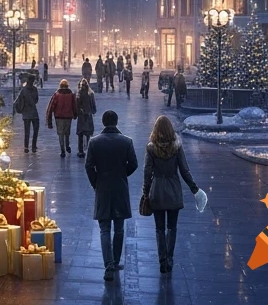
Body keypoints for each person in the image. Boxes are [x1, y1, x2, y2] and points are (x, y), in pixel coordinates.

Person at [141, 115, 199, 274]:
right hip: (173, 190)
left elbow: (147, 172)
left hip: (157, 190)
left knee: (159, 228)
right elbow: (184, 170)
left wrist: (146, 191)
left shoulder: (151, 148)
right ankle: (170, 257)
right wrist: (194, 188)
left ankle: (162, 259)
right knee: (172, 227)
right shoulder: (177, 147)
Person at [85, 110, 138, 282]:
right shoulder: (127, 142)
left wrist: (96, 182)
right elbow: (134, 164)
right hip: (120, 188)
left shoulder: (94, 142)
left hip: (103, 188)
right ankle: (115, 261)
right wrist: (122, 174)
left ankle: (108, 264)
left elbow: (89, 166)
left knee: (104, 229)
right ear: (116, 121)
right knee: (119, 228)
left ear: (103, 122)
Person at [45, 78, 77, 158]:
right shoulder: (71, 95)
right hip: (68, 117)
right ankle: (67, 146)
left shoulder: (57, 95)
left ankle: (62, 149)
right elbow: (74, 106)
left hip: (58, 117)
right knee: (67, 133)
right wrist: (75, 114)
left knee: (60, 134)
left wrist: (49, 120)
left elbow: (51, 107)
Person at [14, 75, 40, 154]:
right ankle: (33, 146)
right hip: (34, 113)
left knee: (27, 131)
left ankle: (26, 147)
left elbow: (18, 101)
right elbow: (36, 100)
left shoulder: (23, 90)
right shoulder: (35, 89)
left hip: (26, 113)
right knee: (36, 130)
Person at [76, 78, 97, 158]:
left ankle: (80, 151)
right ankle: (88, 150)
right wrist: (93, 111)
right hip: (88, 115)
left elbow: (77, 106)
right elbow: (93, 105)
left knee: (80, 134)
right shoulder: (90, 93)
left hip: (81, 116)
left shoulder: (78, 94)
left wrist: (76, 113)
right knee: (88, 133)